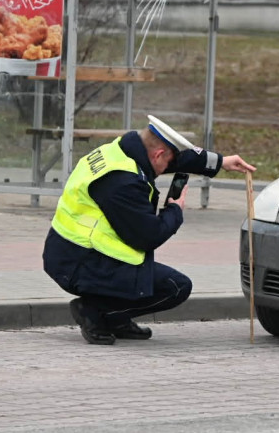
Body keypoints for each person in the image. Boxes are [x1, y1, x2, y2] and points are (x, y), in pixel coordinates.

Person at [42, 115, 256, 345]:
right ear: (157, 155)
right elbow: (148, 236)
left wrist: (220, 162)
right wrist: (174, 210)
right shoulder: (122, 182)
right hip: (79, 264)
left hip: (69, 252)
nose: (167, 169)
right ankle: (95, 311)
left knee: (154, 277)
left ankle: (115, 319)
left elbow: (174, 159)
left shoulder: (120, 152)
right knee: (176, 287)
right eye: (166, 163)